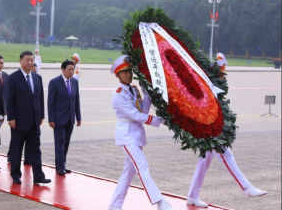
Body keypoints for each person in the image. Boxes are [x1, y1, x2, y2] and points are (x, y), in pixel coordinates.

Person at [187, 54, 267, 208]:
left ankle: (192, 196)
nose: (223, 78)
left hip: (209, 128)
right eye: (220, 74)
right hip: (207, 129)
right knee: (225, 154)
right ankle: (246, 188)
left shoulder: (215, 86)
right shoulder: (207, 85)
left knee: (204, 161)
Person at [108, 55, 174, 210]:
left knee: (128, 174)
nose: (129, 75)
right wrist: (161, 120)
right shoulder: (118, 95)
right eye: (124, 72)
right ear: (117, 75)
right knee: (142, 165)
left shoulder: (133, 89)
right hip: (126, 136)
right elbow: (137, 116)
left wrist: (147, 92)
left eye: (130, 71)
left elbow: (143, 110)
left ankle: (114, 206)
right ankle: (160, 202)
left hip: (136, 135)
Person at [8, 51, 50, 185]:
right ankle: (16, 175)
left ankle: (38, 176)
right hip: (19, 121)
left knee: (36, 149)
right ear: (20, 61)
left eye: (32, 60)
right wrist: (11, 117)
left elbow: (40, 98)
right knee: (17, 149)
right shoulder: (13, 77)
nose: (30, 63)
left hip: (34, 120)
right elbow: (10, 100)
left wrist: (41, 115)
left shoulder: (37, 78)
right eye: (27, 60)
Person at [48, 61, 81, 175]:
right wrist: (51, 119)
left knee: (66, 142)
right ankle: (60, 167)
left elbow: (76, 101)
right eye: (69, 70)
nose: (71, 72)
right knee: (60, 142)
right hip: (58, 119)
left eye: (73, 70)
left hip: (70, 118)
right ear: (62, 70)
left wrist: (78, 117)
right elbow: (50, 103)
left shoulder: (75, 82)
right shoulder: (54, 82)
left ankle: (62, 164)